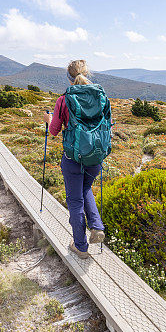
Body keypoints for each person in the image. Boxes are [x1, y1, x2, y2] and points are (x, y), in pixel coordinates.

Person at [42, 59, 108, 259]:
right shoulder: (101, 97)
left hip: (72, 158)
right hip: (95, 157)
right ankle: (96, 227)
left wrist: (49, 119)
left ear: (69, 77)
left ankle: (80, 246)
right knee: (86, 189)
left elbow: (54, 131)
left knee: (75, 200)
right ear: (87, 74)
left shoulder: (64, 100)